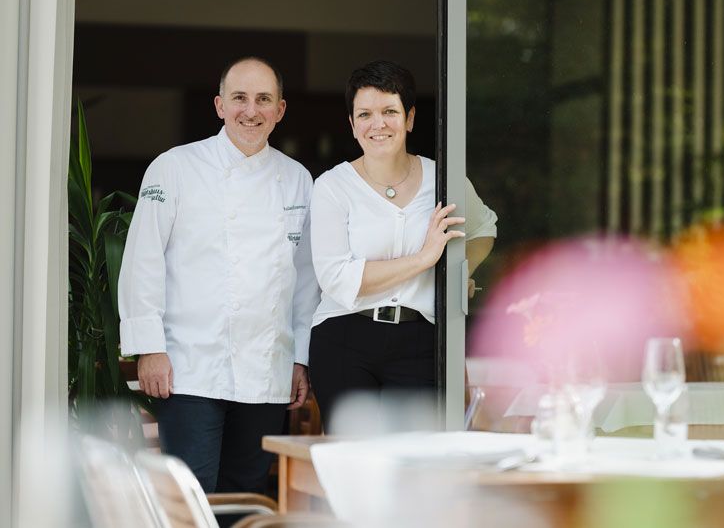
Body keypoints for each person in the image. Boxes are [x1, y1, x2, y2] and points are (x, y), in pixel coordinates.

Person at [118, 57, 320, 496]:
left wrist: (299, 358)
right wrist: (148, 347)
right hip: (189, 368)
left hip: (267, 371)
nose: (252, 110)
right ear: (219, 105)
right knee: (192, 498)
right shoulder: (174, 168)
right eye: (240, 98)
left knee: (245, 497)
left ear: (280, 110)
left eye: (264, 99)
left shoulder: (299, 180)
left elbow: (305, 282)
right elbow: (142, 261)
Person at [309, 60, 497, 425]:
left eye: (389, 111)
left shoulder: (443, 179)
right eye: (364, 114)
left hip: (420, 341)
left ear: (409, 118)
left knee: (414, 462)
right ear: (351, 124)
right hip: (345, 339)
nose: (377, 124)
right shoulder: (332, 187)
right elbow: (336, 277)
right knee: (355, 461)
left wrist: (456, 273)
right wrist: (425, 259)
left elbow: (483, 227)